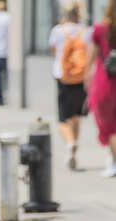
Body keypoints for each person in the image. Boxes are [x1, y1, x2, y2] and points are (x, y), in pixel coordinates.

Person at [49, 4, 90, 171]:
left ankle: (70, 143)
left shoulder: (58, 30)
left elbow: (53, 50)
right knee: (77, 115)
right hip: (81, 76)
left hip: (62, 75)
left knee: (63, 117)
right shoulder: (86, 31)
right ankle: (75, 144)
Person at [85, 0, 116, 177]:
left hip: (105, 81)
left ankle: (114, 161)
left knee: (109, 125)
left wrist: (86, 77)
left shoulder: (100, 29)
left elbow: (91, 56)